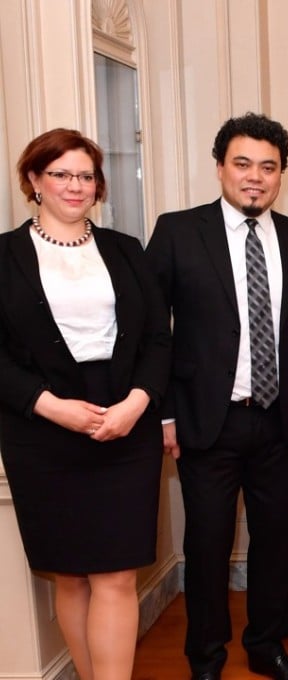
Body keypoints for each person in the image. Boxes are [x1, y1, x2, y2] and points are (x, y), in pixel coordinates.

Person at [146, 113, 288, 680]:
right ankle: (205, 655)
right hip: (208, 420)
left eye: (268, 167)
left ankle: (267, 645)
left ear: (282, 176)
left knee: (276, 544)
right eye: (243, 164)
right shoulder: (177, 231)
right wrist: (164, 413)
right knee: (207, 545)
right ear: (220, 166)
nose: (255, 177)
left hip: (279, 423)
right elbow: (152, 330)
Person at [0, 128, 171, 680]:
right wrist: (51, 406)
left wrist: (137, 404)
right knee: (70, 575)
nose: (75, 186)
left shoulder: (126, 249)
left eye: (86, 175)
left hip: (126, 423)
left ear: (98, 185)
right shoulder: (3, 257)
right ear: (33, 180)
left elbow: (158, 342)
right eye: (61, 174)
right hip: (42, 430)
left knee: (117, 575)